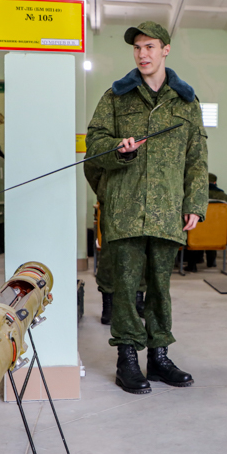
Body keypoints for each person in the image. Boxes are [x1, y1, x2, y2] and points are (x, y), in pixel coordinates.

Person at [85, 20, 207, 394]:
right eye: (137, 48)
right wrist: (116, 152)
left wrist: (195, 204)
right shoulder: (116, 97)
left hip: (167, 211)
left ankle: (159, 358)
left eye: (150, 47)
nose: (142, 54)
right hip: (125, 208)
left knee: (159, 288)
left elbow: (197, 158)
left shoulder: (186, 102)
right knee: (124, 288)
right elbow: (93, 145)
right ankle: (127, 361)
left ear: (165, 49)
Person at [85, 161, 147, 325]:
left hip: (144, 202)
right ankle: (109, 306)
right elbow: (92, 165)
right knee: (110, 253)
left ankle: (138, 300)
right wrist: (105, 190)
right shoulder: (111, 136)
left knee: (142, 252)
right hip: (114, 201)